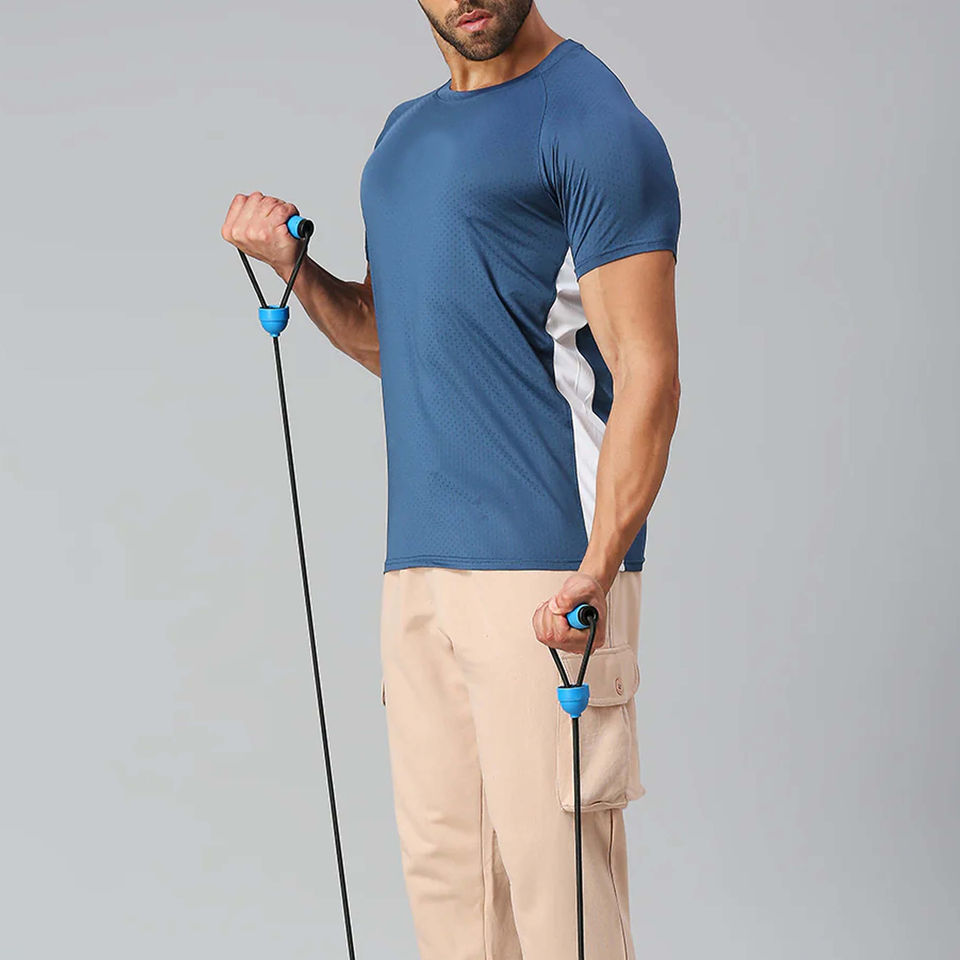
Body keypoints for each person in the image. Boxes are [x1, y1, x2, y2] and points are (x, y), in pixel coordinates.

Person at [221, 2, 681, 957]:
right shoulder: (401, 139)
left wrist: (597, 570)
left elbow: (648, 373)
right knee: (450, 898)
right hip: (419, 570)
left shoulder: (589, 121)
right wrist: (298, 269)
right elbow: (390, 340)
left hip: (547, 567)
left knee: (561, 897)